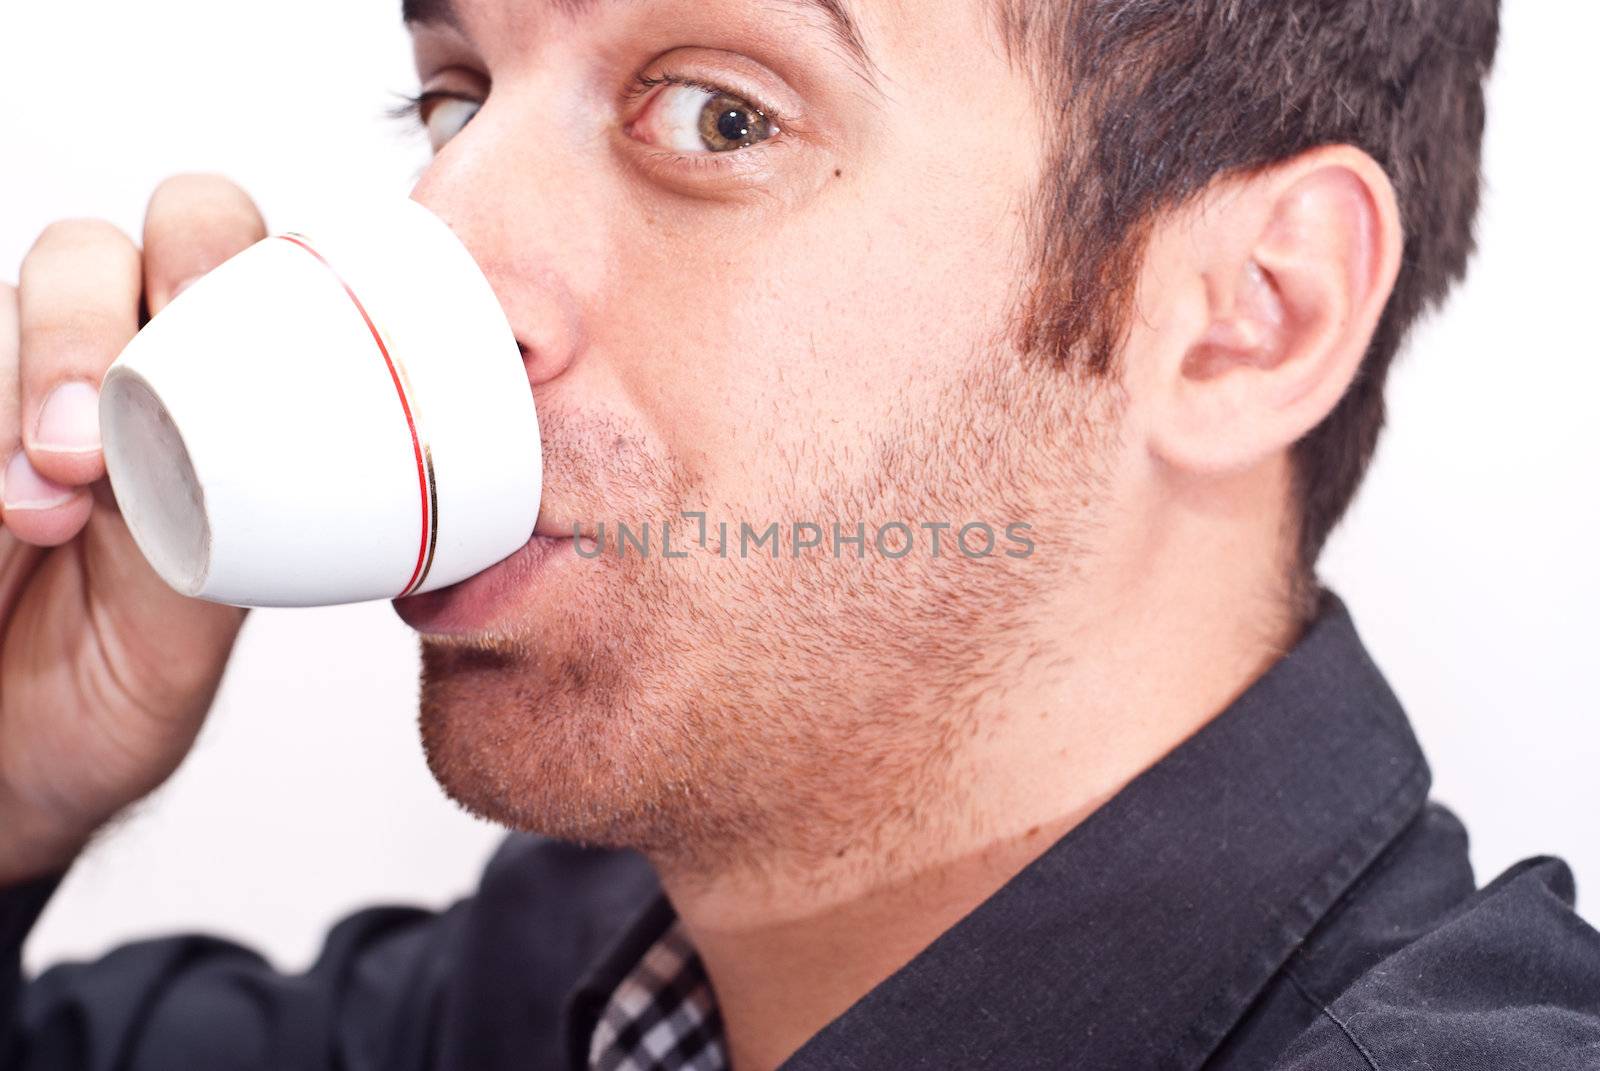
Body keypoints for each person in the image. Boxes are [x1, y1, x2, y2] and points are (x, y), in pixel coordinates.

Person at [3, 0, 1596, 1068]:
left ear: (1247, 319)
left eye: (717, 119)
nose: (439, 254)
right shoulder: (541, 990)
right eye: (456, 97)